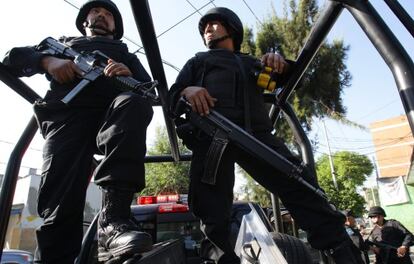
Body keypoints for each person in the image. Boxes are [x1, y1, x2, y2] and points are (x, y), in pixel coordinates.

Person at [168, 7, 364, 264]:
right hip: (210, 135)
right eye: (205, 26)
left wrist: (280, 64)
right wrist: (188, 91)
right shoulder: (197, 62)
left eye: (215, 24)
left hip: (256, 137)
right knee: (211, 210)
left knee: (303, 186)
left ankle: (343, 253)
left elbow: (294, 79)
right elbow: (172, 97)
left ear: (233, 29)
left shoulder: (252, 62)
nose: (208, 28)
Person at [3, 0, 154, 262]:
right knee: (59, 206)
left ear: (116, 26)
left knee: (135, 103)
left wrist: (129, 75)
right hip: (66, 117)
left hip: (112, 118)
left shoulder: (125, 54)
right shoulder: (63, 46)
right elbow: (12, 58)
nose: (101, 16)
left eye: (108, 14)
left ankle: (113, 222)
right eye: (95, 12)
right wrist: (47, 61)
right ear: (84, 21)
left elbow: (149, 90)